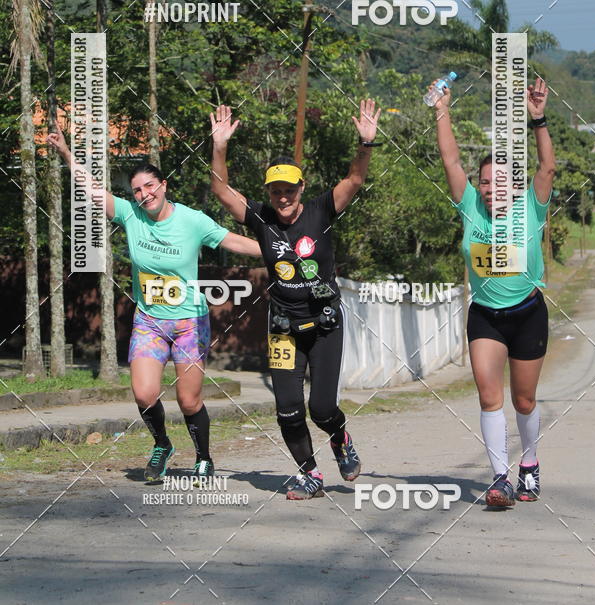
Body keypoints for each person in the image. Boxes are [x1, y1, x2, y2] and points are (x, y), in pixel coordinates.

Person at [47, 124, 262, 484]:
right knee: (144, 393)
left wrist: (276, 251)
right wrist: (67, 153)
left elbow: (233, 241)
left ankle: (204, 457)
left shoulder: (192, 220)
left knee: (188, 400)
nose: (144, 194)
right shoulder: (130, 214)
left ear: (163, 185)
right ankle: (162, 444)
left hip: (189, 321)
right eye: (137, 190)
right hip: (149, 320)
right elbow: (92, 189)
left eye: (149, 186)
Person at [210, 100, 381, 500]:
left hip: (324, 325)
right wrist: (219, 147)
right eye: (276, 191)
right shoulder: (261, 218)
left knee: (321, 409)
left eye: (289, 190)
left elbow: (355, 179)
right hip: (284, 327)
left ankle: (340, 438)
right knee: (287, 409)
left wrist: (365, 144)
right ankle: (310, 475)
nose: (283, 197)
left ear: (301, 188)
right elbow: (220, 189)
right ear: (268, 193)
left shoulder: (321, 210)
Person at [433, 77, 555, 507]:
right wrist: (441, 110)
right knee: (489, 397)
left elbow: (547, 169)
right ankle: (500, 478)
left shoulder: (531, 206)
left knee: (524, 400)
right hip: (485, 315)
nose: (490, 189)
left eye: (499, 182)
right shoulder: (469, 206)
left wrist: (538, 119)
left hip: (528, 314)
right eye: (484, 182)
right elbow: (450, 159)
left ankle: (529, 463)